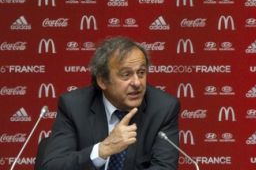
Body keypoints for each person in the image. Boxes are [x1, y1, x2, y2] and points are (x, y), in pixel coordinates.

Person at [41, 36, 180, 170]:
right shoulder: (74, 106)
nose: (137, 82)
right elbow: (53, 166)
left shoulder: (163, 108)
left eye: (141, 72)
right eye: (126, 75)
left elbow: (164, 166)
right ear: (102, 80)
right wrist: (102, 149)